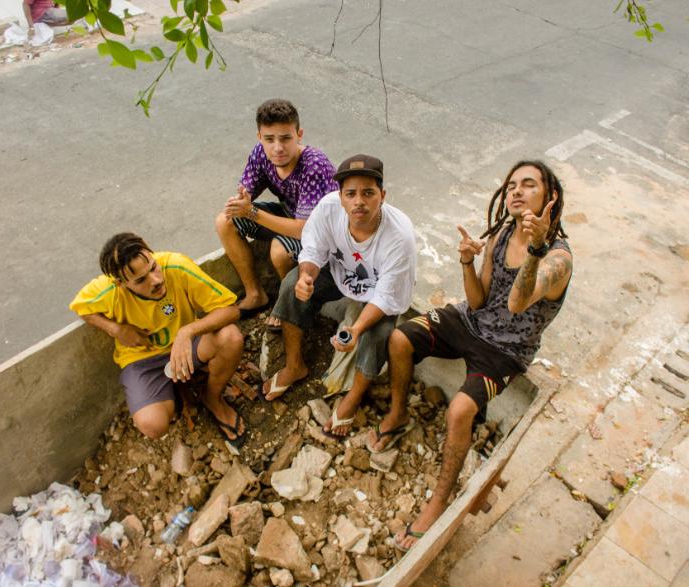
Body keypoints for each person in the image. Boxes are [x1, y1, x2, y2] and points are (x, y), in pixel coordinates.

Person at [384, 160, 573, 552]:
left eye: (528, 185)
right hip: (470, 322)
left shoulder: (559, 259)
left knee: (459, 411)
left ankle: (439, 500)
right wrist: (468, 262)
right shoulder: (504, 233)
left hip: (505, 350)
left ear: (550, 197)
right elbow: (477, 299)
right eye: (511, 186)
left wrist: (535, 248)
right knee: (401, 339)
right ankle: (397, 413)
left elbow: (519, 303)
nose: (516, 192)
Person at [263, 155, 417, 439]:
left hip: (377, 290)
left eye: (368, 193)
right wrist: (307, 275)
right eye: (351, 194)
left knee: (377, 333)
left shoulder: (400, 236)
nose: (359, 201)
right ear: (341, 197)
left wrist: (356, 329)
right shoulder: (329, 208)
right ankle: (294, 365)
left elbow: (386, 296)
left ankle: (354, 397)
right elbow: (312, 248)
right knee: (290, 285)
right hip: (337, 273)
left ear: (382, 196)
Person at [69, 232, 247, 446]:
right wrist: (115, 329)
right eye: (141, 280)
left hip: (186, 347)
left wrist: (187, 331)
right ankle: (177, 389)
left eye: (153, 267)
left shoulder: (176, 266)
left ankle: (213, 398)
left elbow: (231, 310)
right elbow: (81, 308)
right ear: (120, 283)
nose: (156, 280)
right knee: (153, 426)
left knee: (231, 338)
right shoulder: (107, 291)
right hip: (142, 360)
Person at [215, 99, 339, 329]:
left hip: (323, 233)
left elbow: (306, 229)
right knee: (226, 221)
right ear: (259, 137)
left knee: (280, 251)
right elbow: (247, 192)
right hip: (290, 213)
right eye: (269, 139)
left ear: (299, 134)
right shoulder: (262, 154)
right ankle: (255, 295)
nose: (277, 148)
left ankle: (291, 306)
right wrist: (242, 201)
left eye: (285, 138)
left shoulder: (314, 165)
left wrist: (251, 212)